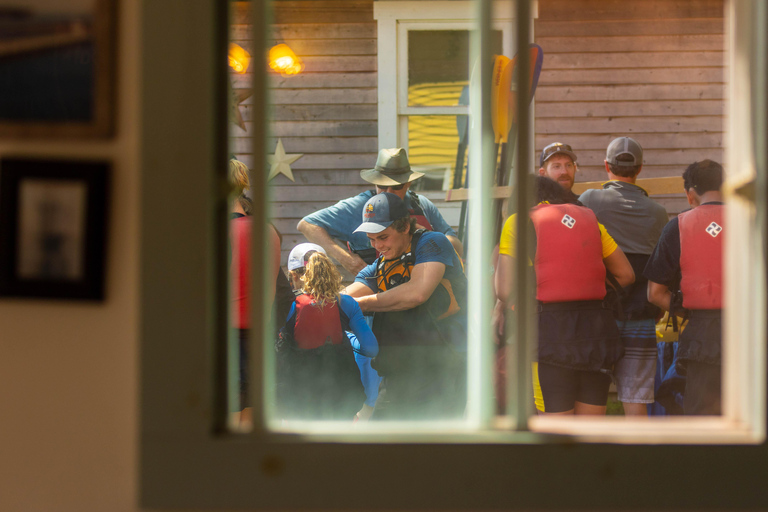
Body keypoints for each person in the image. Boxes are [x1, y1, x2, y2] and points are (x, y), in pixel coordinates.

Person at [495, 176, 634, 415]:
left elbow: (504, 289)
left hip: (549, 334)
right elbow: (626, 275)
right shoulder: (591, 220)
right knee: (590, 433)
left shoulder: (518, 222)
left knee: (556, 431)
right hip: (597, 332)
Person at [345, 192, 467, 420]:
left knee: (438, 448)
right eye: (372, 239)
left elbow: (417, 292)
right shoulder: (382, 263)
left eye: (383, 237)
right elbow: (346, 296)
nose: (377, 246)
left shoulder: (432, 242)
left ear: (404, 228)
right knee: (382, 445)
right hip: (402, 371)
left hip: (446, 368)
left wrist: (360, 305)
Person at [579, 137, 669, 416]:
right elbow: (660, 267)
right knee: (636, 399)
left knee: (591, 396)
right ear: (639, 169)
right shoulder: (658, 213)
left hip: (599, 316)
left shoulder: (590, 200)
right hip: (641, 315)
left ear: (606, 165)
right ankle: (638, 459)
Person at [298, 148, 463, 275]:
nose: (388, 192)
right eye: (382, 186)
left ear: (408, 184)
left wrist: (425, 235)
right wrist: (346, 259)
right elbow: (307, 225)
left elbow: (456, 246)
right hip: (378, 299)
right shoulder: (360, 206)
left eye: (397, 186)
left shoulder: (421, 204)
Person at [644, 160, 724, 415]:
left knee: (701, 417)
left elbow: (654, 293)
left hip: (700, 337)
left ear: (690, 195)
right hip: (748, 335)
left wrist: (688, 314)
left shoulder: (677, 226)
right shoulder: (754, 223)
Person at [276, 247, 379, 421]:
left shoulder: (290, 305)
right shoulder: (346, 303)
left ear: (293, 276)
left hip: (298, 397)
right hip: (340, 394)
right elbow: (371, 349)